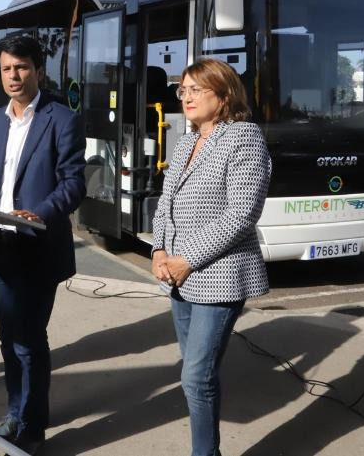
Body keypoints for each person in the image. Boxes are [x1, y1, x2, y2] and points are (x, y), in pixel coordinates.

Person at [0, 35, 85, 454]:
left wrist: (40, 212)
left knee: (27, 339)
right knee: (9, 337)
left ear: (38, 71)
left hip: (37, 245)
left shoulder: (62, 119)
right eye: (7, 68)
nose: (13, 76)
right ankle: (20, 412)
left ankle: (30, 428)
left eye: (21, 67)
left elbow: (74, 183)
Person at [150, 57, 271, 456]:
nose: (186, 97)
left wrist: (187, 259)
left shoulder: (244, 137)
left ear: (223, 95)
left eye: (196, 89)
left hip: (219, 276)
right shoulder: (185, 141)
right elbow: (165, 202)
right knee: (196, 373)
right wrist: (159, 251)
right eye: (182, 89)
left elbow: (242, 213)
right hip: (177, 276)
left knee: (195, 376)